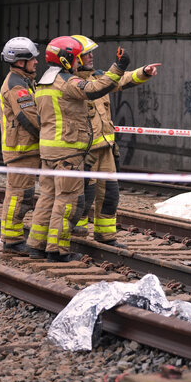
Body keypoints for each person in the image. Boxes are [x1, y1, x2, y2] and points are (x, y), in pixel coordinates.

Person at [26, 35, 130, 262]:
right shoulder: (68, 82)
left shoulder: (43, 82)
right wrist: (119, 67)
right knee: (67, 203)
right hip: (69, 152)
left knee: (47, 200)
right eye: (74, 58)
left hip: (49, 153)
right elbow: (94, 88)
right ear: (65, 60)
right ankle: (58, 250)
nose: (77, 63)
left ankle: (36, 245)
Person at [70, 34, 159, 245]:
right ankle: (75, 238)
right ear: (74, 58)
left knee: (109, 195)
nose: (91, 56)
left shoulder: (98, 79)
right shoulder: (72, 84)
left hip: (105, 149)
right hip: (85, 151)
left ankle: (106, 237)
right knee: (84, 196)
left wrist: (143, 72)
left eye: (91, 53)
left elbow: (123, 79)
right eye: (86, 54)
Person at [0, 36, 40, 255]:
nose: (36, 62)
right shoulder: (16, 85)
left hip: (24, 148)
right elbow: (29, 117)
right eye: (32, 58)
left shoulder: (23, 81)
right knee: (18, 195)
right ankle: (12, 240)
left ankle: (12, 236)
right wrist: (49, 134)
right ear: (20, 61)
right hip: (20, 150)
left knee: (21, 193)